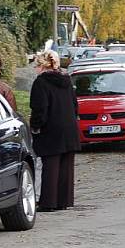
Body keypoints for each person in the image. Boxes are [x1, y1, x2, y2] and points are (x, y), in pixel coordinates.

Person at [29, 50, 81, 211]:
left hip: (51, 128)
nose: (35, 69)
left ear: (41, 66)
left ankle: (48, 202)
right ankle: (64, 201)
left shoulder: (41, 83)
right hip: (69, 127)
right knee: (66, 165)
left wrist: (36, 126)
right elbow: (75, 104)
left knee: (50, 165)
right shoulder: (66, 81)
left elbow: (40, 108)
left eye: (36, 66)